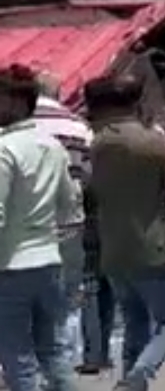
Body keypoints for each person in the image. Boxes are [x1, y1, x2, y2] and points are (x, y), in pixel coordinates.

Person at [85, 74, 165, 391]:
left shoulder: (97, 143)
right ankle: (134, 383)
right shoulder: (150, 142)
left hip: (114, 248)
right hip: (151, 245)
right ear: (135, 102)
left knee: (135, 324)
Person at [0, 64, 90, 391]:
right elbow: (70, 205)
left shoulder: (4, 149)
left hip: (11, 264)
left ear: (14, 101)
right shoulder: (52, 146)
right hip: (49, 259)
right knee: (53, 355)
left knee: (19, 362)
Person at [33, 72, 93, 371]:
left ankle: (27, 361)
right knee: (69, 296)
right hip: (69, 222)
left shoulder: (14, 129)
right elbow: (90, 175)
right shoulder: (78, 127)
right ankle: (61, 364)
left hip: (24, 225)